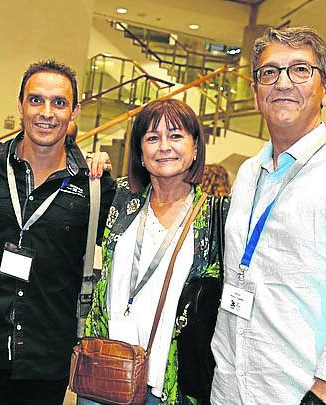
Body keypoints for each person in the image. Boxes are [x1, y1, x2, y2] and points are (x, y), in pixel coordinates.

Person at [210, 26, 326, 404]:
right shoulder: (249, 173)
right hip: (231, 387)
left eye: (300, 70)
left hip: (305, 392)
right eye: (269, 72)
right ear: (255, 93)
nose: (283, 83)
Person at [0, 59, 116, 405]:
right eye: (36, 100)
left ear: (74, 112)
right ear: (21, 105)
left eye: (59, 103)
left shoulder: (95, 187)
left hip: (47, 355)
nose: (47, 112)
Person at [81, 99, 228, 405]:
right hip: (105, 369)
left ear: (196, 147)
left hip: (169, 382)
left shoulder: (215, 217)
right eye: (152, 138)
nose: (164, 147)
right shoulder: (119, 199)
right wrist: (89, 164)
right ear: (140, 152)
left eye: (175, 136)